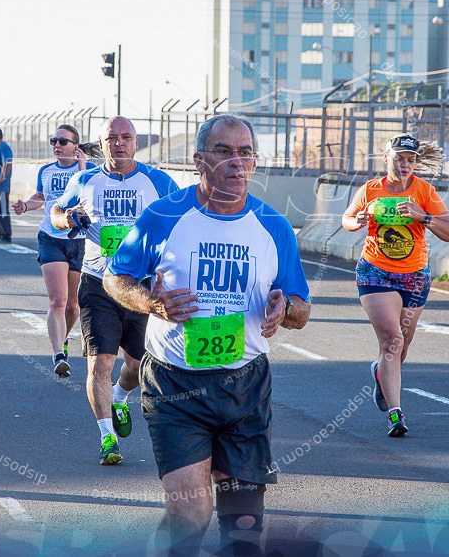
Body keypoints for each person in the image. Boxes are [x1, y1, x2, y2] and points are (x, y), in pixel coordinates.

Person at [104, 114, 310, 557]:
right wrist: (152, 303)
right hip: (175, 385)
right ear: (200, 160)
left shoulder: (274, 226)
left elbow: (301, 306)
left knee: (245, 529)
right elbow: (115, 278)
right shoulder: (164, 216)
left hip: (244, 385)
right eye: (223, 151)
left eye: (246, 152)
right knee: (190, 516)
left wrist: (286, 309)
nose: (237, 163)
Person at [51, 116, 178, 466]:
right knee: (101, 363)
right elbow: (56, 211)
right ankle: (107, 437)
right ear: (101, 144)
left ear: (136, 142)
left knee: (138, 366)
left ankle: (120, 398)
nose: (119, 143)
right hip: (97, 282)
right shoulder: (85, 179)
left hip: (139, 287)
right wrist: (66, 219)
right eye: (111, 138)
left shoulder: (157, 181)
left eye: (126, 137)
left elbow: (186, 215)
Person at [341, 133, 449, 437]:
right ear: (386, 158)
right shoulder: (370, 189)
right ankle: (395, 413)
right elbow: (347, 219)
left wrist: (424, 217)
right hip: (375, 273)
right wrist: (360, 220)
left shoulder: (424, 191)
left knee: (401, 346)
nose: (405, 165)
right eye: (399, 158)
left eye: (410, 160)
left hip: (415, 277)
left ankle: (381, 372)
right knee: (391, 340)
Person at [13, 124, 96, 377]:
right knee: (57, 301)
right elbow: (41, 197)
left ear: (76, 146)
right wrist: (26, 206)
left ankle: (64, 340)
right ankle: (58, 355)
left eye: (63, 141)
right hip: (51, 237)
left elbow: (89, 195)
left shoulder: (90, 170)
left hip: (79, 239)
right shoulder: (46, 171)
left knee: (73, 306)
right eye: (54, 141)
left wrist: (82, 168)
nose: (57, 146)